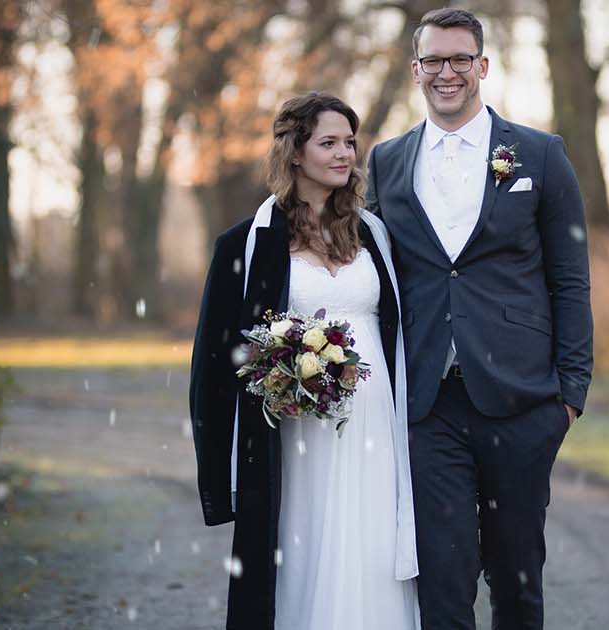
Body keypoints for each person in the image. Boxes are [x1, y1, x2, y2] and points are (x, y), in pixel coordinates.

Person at [363, 8, 595, 630]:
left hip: (522, 403)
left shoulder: (540, 155)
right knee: (442, 575)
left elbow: (570, 277)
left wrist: (569, 395)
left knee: (518, 581)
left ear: (482, 66)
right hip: (426, 406)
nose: (447, 72)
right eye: (434, 60)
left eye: (460, 59)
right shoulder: (386, 162)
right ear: (415, 70)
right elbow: (370, 272)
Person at [190, 92, 419, 630]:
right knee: (302, 546)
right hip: (295, 435)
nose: (345, 154)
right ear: (295, 152)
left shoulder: (376, 237)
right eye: (329, 143)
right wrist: (218, 469)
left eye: (349, 143)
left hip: (376, 425)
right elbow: (215, 363)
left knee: (372, 544)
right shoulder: (245, 246)